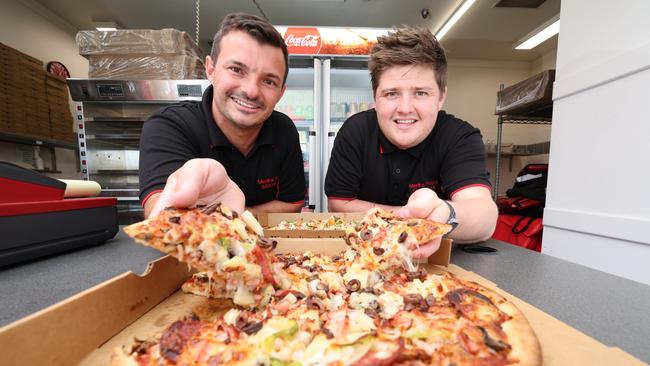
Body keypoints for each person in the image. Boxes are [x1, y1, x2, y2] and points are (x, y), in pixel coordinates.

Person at [325, 26, 497, 257]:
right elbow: (338, 205)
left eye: (420, 93)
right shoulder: (355, 131)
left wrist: (443, 212)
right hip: (361, 259)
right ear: (375, 97)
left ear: (441, 97)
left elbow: (484, 216)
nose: (405, 109)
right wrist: (414, 220)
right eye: (391, 93)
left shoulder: (459, 137)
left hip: (441, 270)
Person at [139, 13, 306, 218]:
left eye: (269, 81)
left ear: (281, 92)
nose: (251, 91)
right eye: (236, 69)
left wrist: (239, 214)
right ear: (210, 69)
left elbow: (292, 203)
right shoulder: (170, 125)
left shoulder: (284, 130)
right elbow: (161, 217)